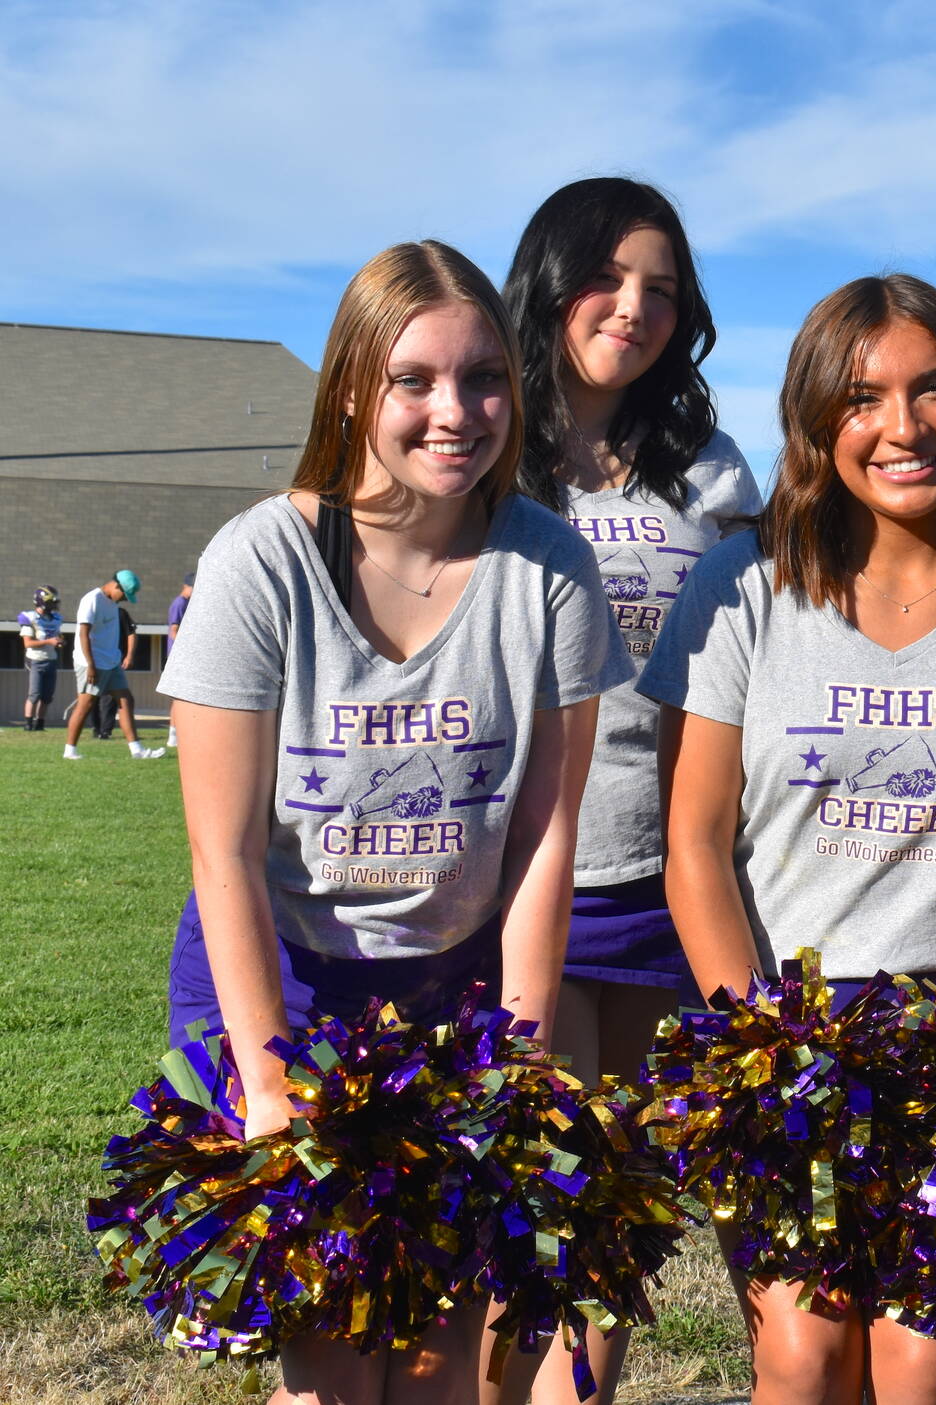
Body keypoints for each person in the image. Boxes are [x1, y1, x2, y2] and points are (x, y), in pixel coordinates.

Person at [158, 239, 630, 1405]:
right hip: (289, 984)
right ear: (355, 385)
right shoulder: (263, 559)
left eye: (482, 379)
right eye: (414, 379)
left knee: (434, 1368)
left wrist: (517, 1066)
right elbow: (219, 850)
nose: (453, 411)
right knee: (329, 1361)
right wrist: (269, 1085)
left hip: (456, 991)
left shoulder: (551, 569)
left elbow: (542, 839)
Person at [642, 273, 936, 1405]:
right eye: (861, 398)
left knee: (925, 1363)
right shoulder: (744, 585)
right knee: (802, 1359)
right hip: (784, 1031)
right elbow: (694, 842)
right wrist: (756, 1041)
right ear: (813, 418)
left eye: (934, 390)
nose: (901, 427)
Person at [490, 175, 760, 1405]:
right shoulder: (477, 441)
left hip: (665, 878)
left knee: (610, 1220)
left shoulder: (707, 471)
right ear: (550, 280)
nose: (633, 307)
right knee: (517, 1226)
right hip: (509, 881)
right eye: (605, 277)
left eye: (660, 288)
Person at [63, 569, 161, 759]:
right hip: (91, 662)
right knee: (85, 705)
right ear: (116, 586)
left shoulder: (112, 603)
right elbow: (84, 633)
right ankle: (70, 750)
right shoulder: (92, 600)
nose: (123, 599)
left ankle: (137, 750)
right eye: (124, 594)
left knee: (126, 700)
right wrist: (91, 665)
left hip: (111, 661)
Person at [90, 603, 140, 739]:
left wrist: (129, 655)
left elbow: (131, 633)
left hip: (113, 661)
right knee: (91, 696)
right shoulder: (94, 613)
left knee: (111, 697)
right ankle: (96, 728)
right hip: (95, 661)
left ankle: (106, 730)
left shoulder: (120, 613)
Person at [19, 587, 63, 731]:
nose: (54, 605)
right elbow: (27, 643)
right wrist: (49, 642)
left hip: (51, 659)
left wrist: (61, 641)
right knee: (34, 694)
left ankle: (40, 724)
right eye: (51, 602)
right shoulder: (30, 618)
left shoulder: (56, 619)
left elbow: (59, 636)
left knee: (47, 696)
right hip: (35, 660)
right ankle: (28, 724)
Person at [165, 573, 194, 748]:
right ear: (186, 586)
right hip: (179, 656)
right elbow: (173, 630)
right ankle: (173, 735)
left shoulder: (189, 603)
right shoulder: (179, 603)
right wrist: (184, 650)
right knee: (178, 697)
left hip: (186, 656)